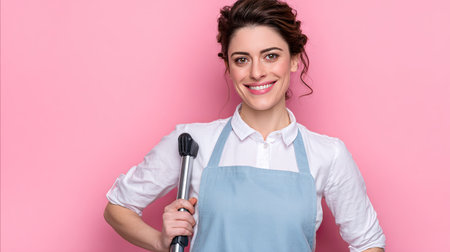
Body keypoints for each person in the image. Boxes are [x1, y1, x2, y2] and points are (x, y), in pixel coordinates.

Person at [103, 0, 386, 251]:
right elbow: (118, 207)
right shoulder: (193, 142)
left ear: (295, 60)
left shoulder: (327, 154)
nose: (256, 72)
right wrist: (159, 242)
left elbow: (368, 242)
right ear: (228, 66)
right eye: (241, 59)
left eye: (271, 55)